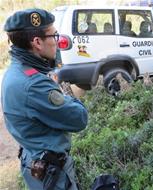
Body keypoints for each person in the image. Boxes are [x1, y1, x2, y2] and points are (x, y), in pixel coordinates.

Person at [1, 8, 88, 190]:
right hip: (51, 172)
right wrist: (64, 94)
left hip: (33, 160)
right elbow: (79, 118)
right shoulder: (34, 84)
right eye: (54, 36)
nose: (57, 42)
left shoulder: (14, 71)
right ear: (38, 42)